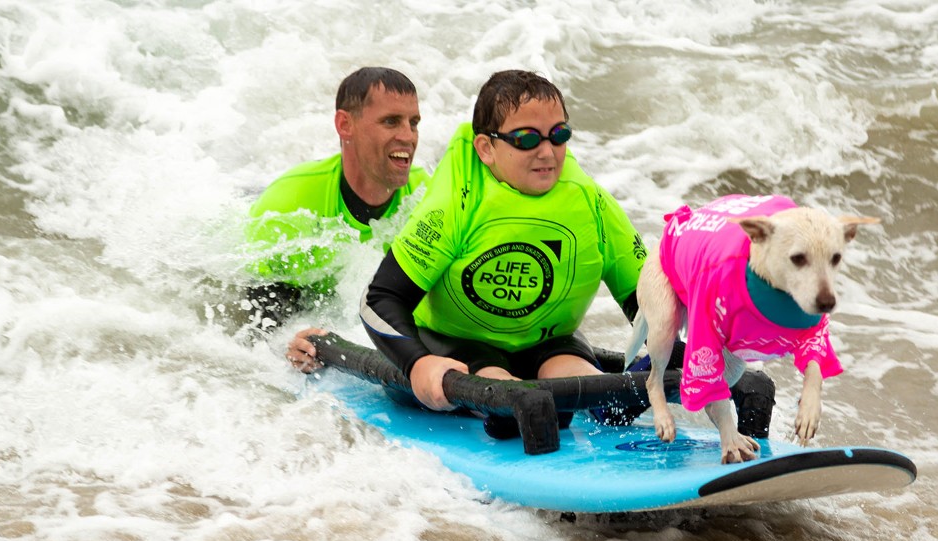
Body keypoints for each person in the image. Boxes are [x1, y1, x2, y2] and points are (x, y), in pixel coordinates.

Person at [359, 69, 648, 435]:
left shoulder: (591, 203)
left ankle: (607, 402)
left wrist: (677, 351)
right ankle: (507, 409)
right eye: (527, 139)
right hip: (461, 346)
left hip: (548, 343)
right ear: (486, 148)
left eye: (559, 135)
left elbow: (645, 298)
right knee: (506, 390)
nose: (547, 152)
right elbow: (379, 299)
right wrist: (418, 364)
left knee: (587, 386)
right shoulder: (455, 205)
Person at [242, 67, 429, 370]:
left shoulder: (423, 197)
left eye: (414, 123)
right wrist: (289, 343)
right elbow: (259, 328)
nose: (408, 136)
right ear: (345, 124)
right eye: (391, 121)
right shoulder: (289, 207)